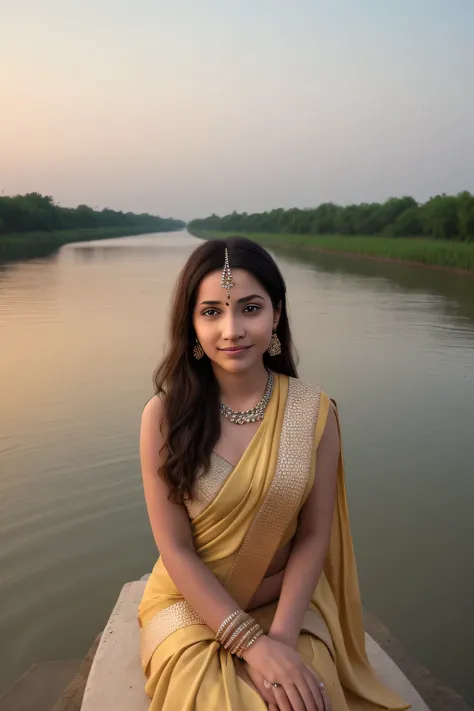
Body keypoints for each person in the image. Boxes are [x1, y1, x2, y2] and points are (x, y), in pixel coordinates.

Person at [138, 237, 409, 711]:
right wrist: (251, 646)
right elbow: (175, 549)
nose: (232, 329)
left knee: (306, 700)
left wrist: (280, 641)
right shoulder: (164, 416)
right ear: (191, 323)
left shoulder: (313, 411)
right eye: (211, 313)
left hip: (286, 605)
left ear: (276, 314)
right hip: (192, 606)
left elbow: (311, 537)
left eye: (250, 308)